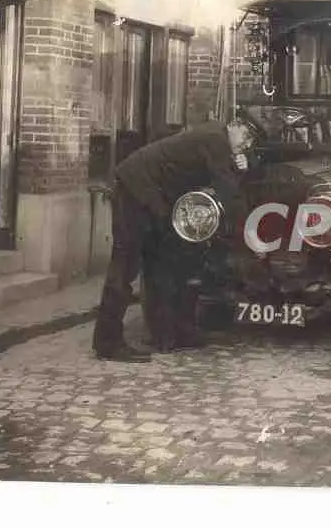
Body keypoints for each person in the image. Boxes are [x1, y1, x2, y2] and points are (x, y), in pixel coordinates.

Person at [92, 117, 260, 362]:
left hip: (153, 196)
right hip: (134, 190)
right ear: (234, 125)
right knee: (125, 265)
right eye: (246, 136)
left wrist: (244, 164)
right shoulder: (216, 140)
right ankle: (107, 342)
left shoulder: (216, 137)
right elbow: (227, 190)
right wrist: (249, 234)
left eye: (252, 141)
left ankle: (170, 334)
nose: (247, 144)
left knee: (164, 262)